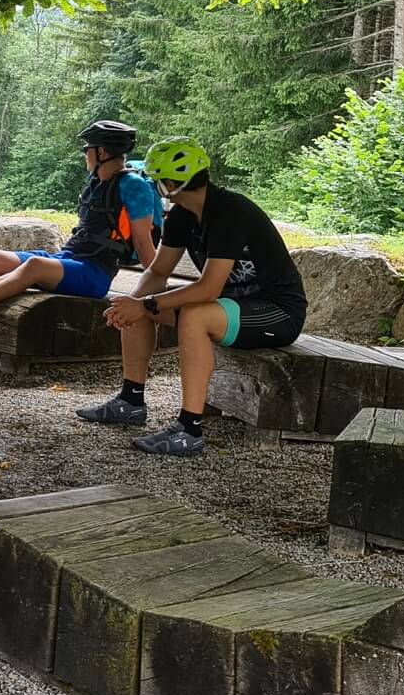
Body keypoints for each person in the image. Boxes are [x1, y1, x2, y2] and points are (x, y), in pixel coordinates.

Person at [88, 138, 308, 457]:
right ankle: (130, 401)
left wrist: (147, 304)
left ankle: (189, 431)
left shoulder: (229, 211)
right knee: (139, 305)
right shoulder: (183, 215)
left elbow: (208, 289)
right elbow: (158, 272)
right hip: (228, 308)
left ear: (173, 182)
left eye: (158, 180)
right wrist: (132, 304)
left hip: (278, 313)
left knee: (193, 315)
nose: (156, 187)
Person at [0, 120, 162, 326]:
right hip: (71, 258)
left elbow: (142, 241)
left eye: (87, 149)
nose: (85, 154)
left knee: (34, 265)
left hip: (95, 274)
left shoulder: (132, 186)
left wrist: (154, 292)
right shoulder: (98, 181)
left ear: (101, 151)